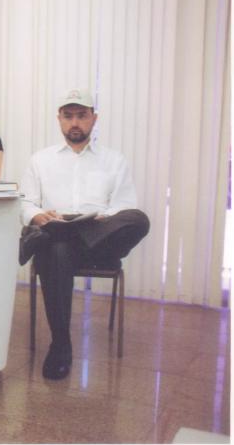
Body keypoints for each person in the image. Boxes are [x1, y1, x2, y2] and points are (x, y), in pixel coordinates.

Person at [19, 88, 150, 380]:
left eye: (82, 115)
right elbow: (26, 203)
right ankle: (60, 346)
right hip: (58, 244)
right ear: (59, 119)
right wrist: (39, 216)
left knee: (139, 219)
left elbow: (125, 205)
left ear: (94, 118)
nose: (75, 122)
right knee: (57, 249)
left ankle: (58, 235)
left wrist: (103, 219)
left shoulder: (114, 160)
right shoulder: (41, 160)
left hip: (100, 243)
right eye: (68, 116)